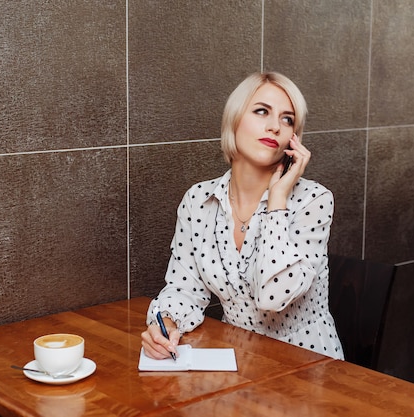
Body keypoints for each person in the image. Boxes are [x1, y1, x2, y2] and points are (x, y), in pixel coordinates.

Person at [141, 71, 344, 361]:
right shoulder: (199, 201)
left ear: (293, 139)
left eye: (287, 119)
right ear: (234, 120)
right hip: (236, 362)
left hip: (306, 368)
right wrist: (167, 324)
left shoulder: (313, 201)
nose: (275, 126)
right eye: (262, 111)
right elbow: (185, 286)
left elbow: (273, 296)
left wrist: (277, 201)